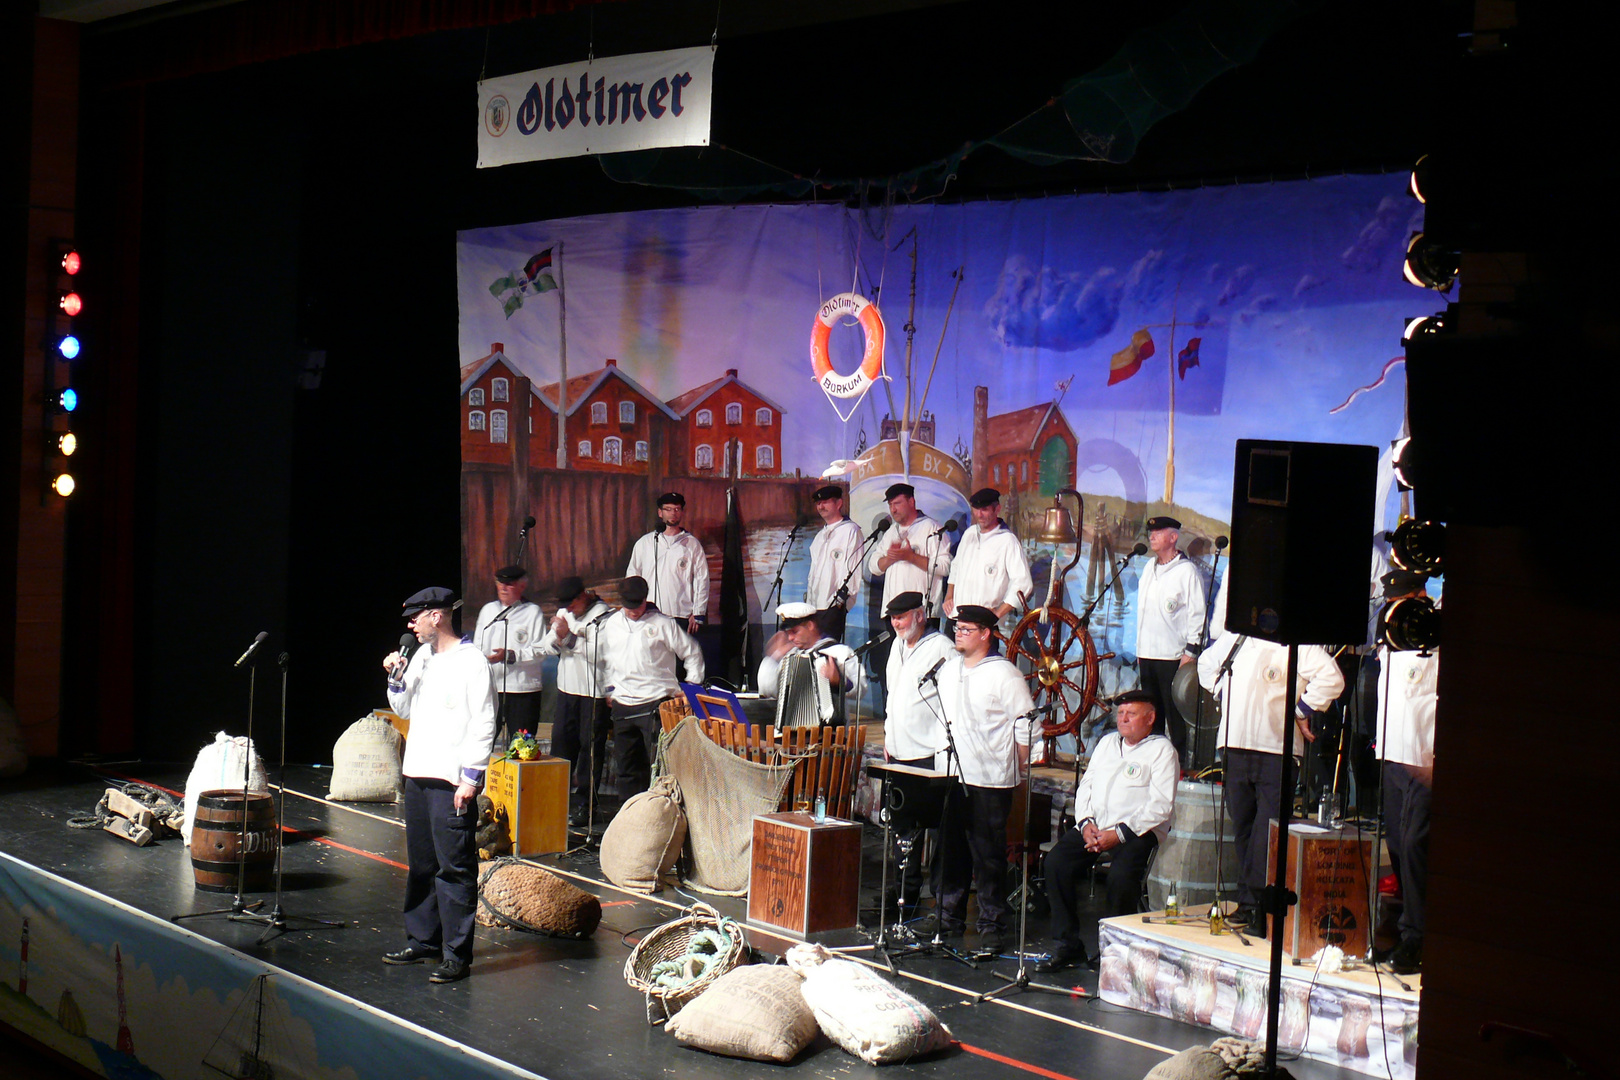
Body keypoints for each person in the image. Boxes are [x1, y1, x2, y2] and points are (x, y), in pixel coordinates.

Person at [381, 587, 495, 984]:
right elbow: (403, 708)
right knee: (422, 866)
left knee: (455, 868)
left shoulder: (472, 661)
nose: (410, 626)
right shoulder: (421, 658)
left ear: (435, 616)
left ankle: (456, 953)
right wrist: (396, 677)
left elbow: (484, 722)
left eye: (415, 617)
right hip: (418, 775)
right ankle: (423, 939)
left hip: (451, 782)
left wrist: (470, 778)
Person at [1198, 627, 1344, 935]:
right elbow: (1206, 665)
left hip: (1276, 749)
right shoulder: (1236, 638)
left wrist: (1302, 709)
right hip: (1235, 745)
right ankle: (1250, 902)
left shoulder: (1299, 644)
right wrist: (1225, 693)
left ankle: (1256, 905)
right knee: (1243, 828)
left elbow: (1333, 679)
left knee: (1267, 832)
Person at [1036, 690, 1178, 972]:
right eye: (1120, 714)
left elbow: (1161, 805)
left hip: (1137, 831)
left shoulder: (1162, 751)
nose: (1123, 719)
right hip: (1096, 826)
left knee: (1120, 877)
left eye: (1131, 714)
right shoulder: (1106, 743)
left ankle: (1113, 949)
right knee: (1056, 864)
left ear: (1150, 718)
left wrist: (1119, 834)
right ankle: (1068, 945)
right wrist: (1086, 822)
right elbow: (1086, 786)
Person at [928, 604, 1036, 957]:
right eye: (956, 628)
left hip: (989, 778)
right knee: (950, 852)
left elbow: (1025, 722)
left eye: (966, 629)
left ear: (986, 634)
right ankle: (947, 917)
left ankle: (991, 924)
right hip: (952, 772)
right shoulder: (949, 671)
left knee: (988, 856)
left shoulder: (1004, 674)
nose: (958, 634)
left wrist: (1018, 767)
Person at [1374, 568, 1438, 975]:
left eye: (1401, 597)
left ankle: (1419, 936)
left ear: (1419, 594)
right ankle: (1406, 928)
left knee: (1416, 845)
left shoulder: (1435, 635)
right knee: (1397, 845)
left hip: (1425, 760)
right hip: (1392, 756)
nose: (1393, 605)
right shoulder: (1391, 636)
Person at [596, 575, 705, 799]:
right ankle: (629, 814)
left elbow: (692, 653)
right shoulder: (611, 624)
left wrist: (691, 686)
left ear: (645, 599)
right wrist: (609, 689)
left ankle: (659, 811)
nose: (633, 611)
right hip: (623, 703)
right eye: (628, 607)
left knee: (657, 766)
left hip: (656, 702)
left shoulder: (663, 624)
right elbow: (605, 659)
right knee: (626, 766)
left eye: (637, 606)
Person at [880, 590, 956, 908]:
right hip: (898, 749)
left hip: (927, 752)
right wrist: (887, 736)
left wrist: (944, 746)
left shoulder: (942, 648)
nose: (897, 623)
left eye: (902, 617)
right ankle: (905, 893)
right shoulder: (897, 646)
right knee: (901, 828)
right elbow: (892, 695)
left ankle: (942, 898)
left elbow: (952, 701)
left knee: (934, 828)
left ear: (920, 615)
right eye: (893, 618)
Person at [537, 575, 612, 825]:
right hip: (566, 690)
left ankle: (586, 806)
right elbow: (548, 646)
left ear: (583, 596)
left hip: (593, 693)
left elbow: (601, 654)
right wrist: (559, 638)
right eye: (565, 605)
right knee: (561, 746)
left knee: (589, 750)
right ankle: (556, 799)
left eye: (571, 604)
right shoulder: (564, 611)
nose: (567, 609)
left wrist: (568, 637)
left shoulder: (605, 617)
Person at [1135, 515, 1207, 766]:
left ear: (1173, 537)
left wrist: (1190, 653)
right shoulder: (1148, 568)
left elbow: (1197, 615)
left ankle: (1177, 766)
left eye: (1158, 532)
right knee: (1150, 715)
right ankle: (1152, 762)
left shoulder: (1187, 572)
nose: (1151, 536)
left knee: (1174, 718)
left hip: (1172, 656)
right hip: (1146, 653)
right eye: (1150, 532)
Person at [471, 565, 547, 739]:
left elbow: (540, 651)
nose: (503, 588)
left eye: (509, 584)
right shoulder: (488, 610)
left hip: (523, 690)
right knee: (483, 740)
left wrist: (510, 655)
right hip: (492, 687)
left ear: (522, 586)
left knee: (522, 747)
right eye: (500, 583)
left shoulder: (532, 612)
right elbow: (478, 646)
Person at [944, 487, 1032, 630]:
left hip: (983, 625)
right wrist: (949, 596)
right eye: (976, 509)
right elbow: (956, 566)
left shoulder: (1008, 541)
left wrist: (997, 613)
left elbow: (1023, 583)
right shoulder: (969, 534)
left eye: (984, 509)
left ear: (997, 509)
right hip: (956, 619)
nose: (979, 515)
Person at [757, 602, 859, 722]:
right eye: (788, 633)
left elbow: (860, 688)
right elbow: (768, 690)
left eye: (794, 632)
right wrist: (774, 657)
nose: (790, 638)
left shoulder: (838, 652)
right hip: (792, 731)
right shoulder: (790, 655)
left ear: (810, 625)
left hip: (829, 735)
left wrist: (840, 681)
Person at [866, 482, 953, 623]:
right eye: (890, 505)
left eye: (897, 503)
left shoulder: (932, 528)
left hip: (922, 613)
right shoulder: (891, 532)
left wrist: (911, 557)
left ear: (911, 501)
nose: (893, 509)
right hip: (893, 612)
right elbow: (873, 567)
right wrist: (890, 558)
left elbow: (945, 567)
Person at [625, 491, 709, 634]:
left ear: (682, 512)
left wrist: (698, 612)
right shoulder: (645, 543)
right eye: (668, 509)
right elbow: (633, 576)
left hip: (681, 615)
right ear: (660, 512)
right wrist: (634, 606)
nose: (673, 513)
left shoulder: (692, 544)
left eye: (677, 509)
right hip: (649, 614)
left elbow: (702, 580)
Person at [804, 484, 864, 642]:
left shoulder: (851, 531)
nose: (821, 506)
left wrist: (839, 603)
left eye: (825, 502)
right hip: (813, 605)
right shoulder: (819, 536)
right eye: (818, 503)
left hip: (832, 605)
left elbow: (854, 571)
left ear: (839, 503)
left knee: (829, 652)